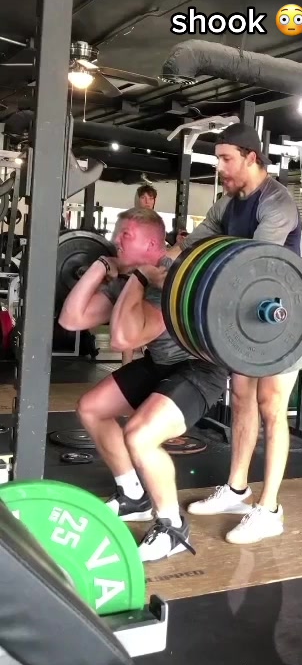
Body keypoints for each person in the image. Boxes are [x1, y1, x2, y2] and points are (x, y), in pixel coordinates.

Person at [58, 207, 227, 563]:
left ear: (151, 243)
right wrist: (101, 266)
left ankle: (172, 526)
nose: (115, 240)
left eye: (126, 235)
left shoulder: (171, 277)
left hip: (199, 370)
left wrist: (137, 277)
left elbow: (123, 339)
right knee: (91, 408)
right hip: (160, 365)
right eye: (117, 233)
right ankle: (133, 496)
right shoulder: (131, 276)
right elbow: (71, 319)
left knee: (139, 436)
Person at [163, 122, 302, 545]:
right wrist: (155, 260)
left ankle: (270, 509)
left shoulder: (276, 202)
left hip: (283, 318)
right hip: (245, 316)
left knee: (271, 405)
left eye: (226, 159)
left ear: (250, 157)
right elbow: (193, 244)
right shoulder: (227, 203)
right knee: (241, 397)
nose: (220, 167)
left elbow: (252, 261)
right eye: (218, 159)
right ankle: (237, 489)